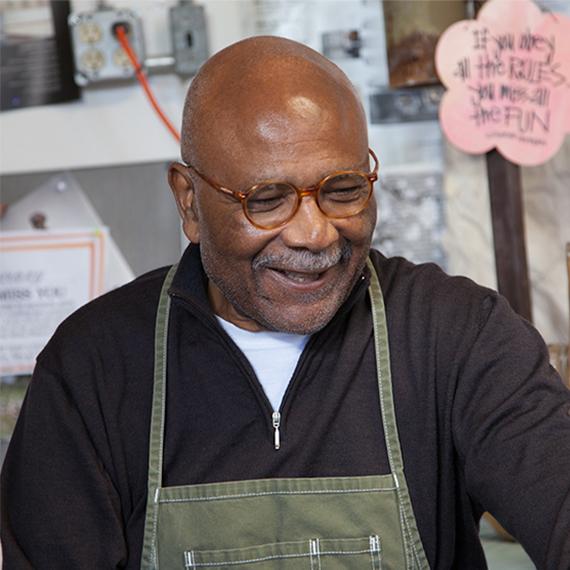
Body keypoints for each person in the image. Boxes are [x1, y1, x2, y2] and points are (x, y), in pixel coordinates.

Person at [2, 36, 570, 569]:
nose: (314, 234)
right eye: (267, 200)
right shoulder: (95, 368)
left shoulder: (457, 336)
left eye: (342, 190)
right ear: (189, 202)